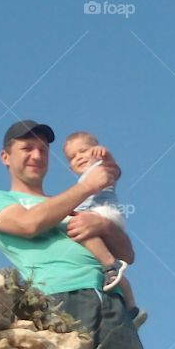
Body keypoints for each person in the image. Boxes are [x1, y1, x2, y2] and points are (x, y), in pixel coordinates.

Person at [0, 119, 149, 349]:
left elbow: (127, 254)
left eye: (43, 150)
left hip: (111, 300)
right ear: (5, 157)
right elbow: (28, 224)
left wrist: (103, 225)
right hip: (61, 297)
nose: (37, 155)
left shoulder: (72, 203)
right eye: (27, 148)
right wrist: (87, 186)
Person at [61, 131, 146, 328]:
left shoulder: (100, 168)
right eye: (72, 157)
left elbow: (115, 170)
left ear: (96, 150)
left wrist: (106, 156)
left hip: (105, 213)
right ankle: (133, 309)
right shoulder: (82, 181)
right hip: (97, 214)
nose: (79, 157)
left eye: (83, 151)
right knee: (109, 271)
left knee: (75, 226)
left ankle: (110, 264)